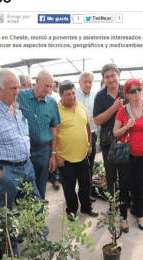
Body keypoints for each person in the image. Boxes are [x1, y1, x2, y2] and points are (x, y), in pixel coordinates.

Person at [0, 68, 47, 256]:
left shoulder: (16, 107)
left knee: (35, 207)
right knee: (6, 218)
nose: (17, 92)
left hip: (26, 168)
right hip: (5, 170)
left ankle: (39, 246)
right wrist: (0, 175)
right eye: (12, 88)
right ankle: (10, 254)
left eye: (18, 88)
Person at [113, 79, 143, 232]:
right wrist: (126, 126)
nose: (138, 92)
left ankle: (139, 214)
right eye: (133, 91)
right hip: (126, 156)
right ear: (127, 95)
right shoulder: (122, 110)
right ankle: (123, 217)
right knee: (124, 187)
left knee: (139, 187)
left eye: (139, 88)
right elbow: (115, 132)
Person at [56, 80, 99, 221]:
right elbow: (53, 133)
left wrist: (89, 144)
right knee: (69, 187)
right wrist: (56, 154)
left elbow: (87, 126)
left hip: (82, 155)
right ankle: (72, 210)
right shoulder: (56, 110)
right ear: (61, 96)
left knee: (85, 184)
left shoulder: (80, 106)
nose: (72, 96)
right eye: (68, 94)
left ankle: (86, 207)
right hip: (65, 157)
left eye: (73, 93)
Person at [16, 70, 60, 199]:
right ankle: (25, 217)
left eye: (51, 86)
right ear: (37, 81)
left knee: (40, 187)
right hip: (23, 153)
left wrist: (53, 154)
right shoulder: (20, 96)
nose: (48, 89)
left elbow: (54, 129)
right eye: (46, 85)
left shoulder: (51, 103)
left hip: (42, 152)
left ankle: (38, 217)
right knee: (22, 189)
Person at [93, 64, 127, 197]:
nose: (111, 79)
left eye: (113, 75)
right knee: (111, 175)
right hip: (108, 142)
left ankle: (125, 205)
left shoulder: (127, 91)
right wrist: (114, 107)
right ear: (103, 79)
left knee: (126, 174)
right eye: (107, 77)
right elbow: (97, 121)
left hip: (127, 140)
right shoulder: (100, 96)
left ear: (118, 74)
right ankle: (113, 207)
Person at [76, 71, 97, 203]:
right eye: (85, 81)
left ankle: (86, 194)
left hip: (92, 134)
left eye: (90, 81)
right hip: (76, 134)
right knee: (74, 166)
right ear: (80, 82)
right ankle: (72, 195)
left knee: (89, 166)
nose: (88, 84)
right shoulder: (74, 94)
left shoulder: (96, 95)